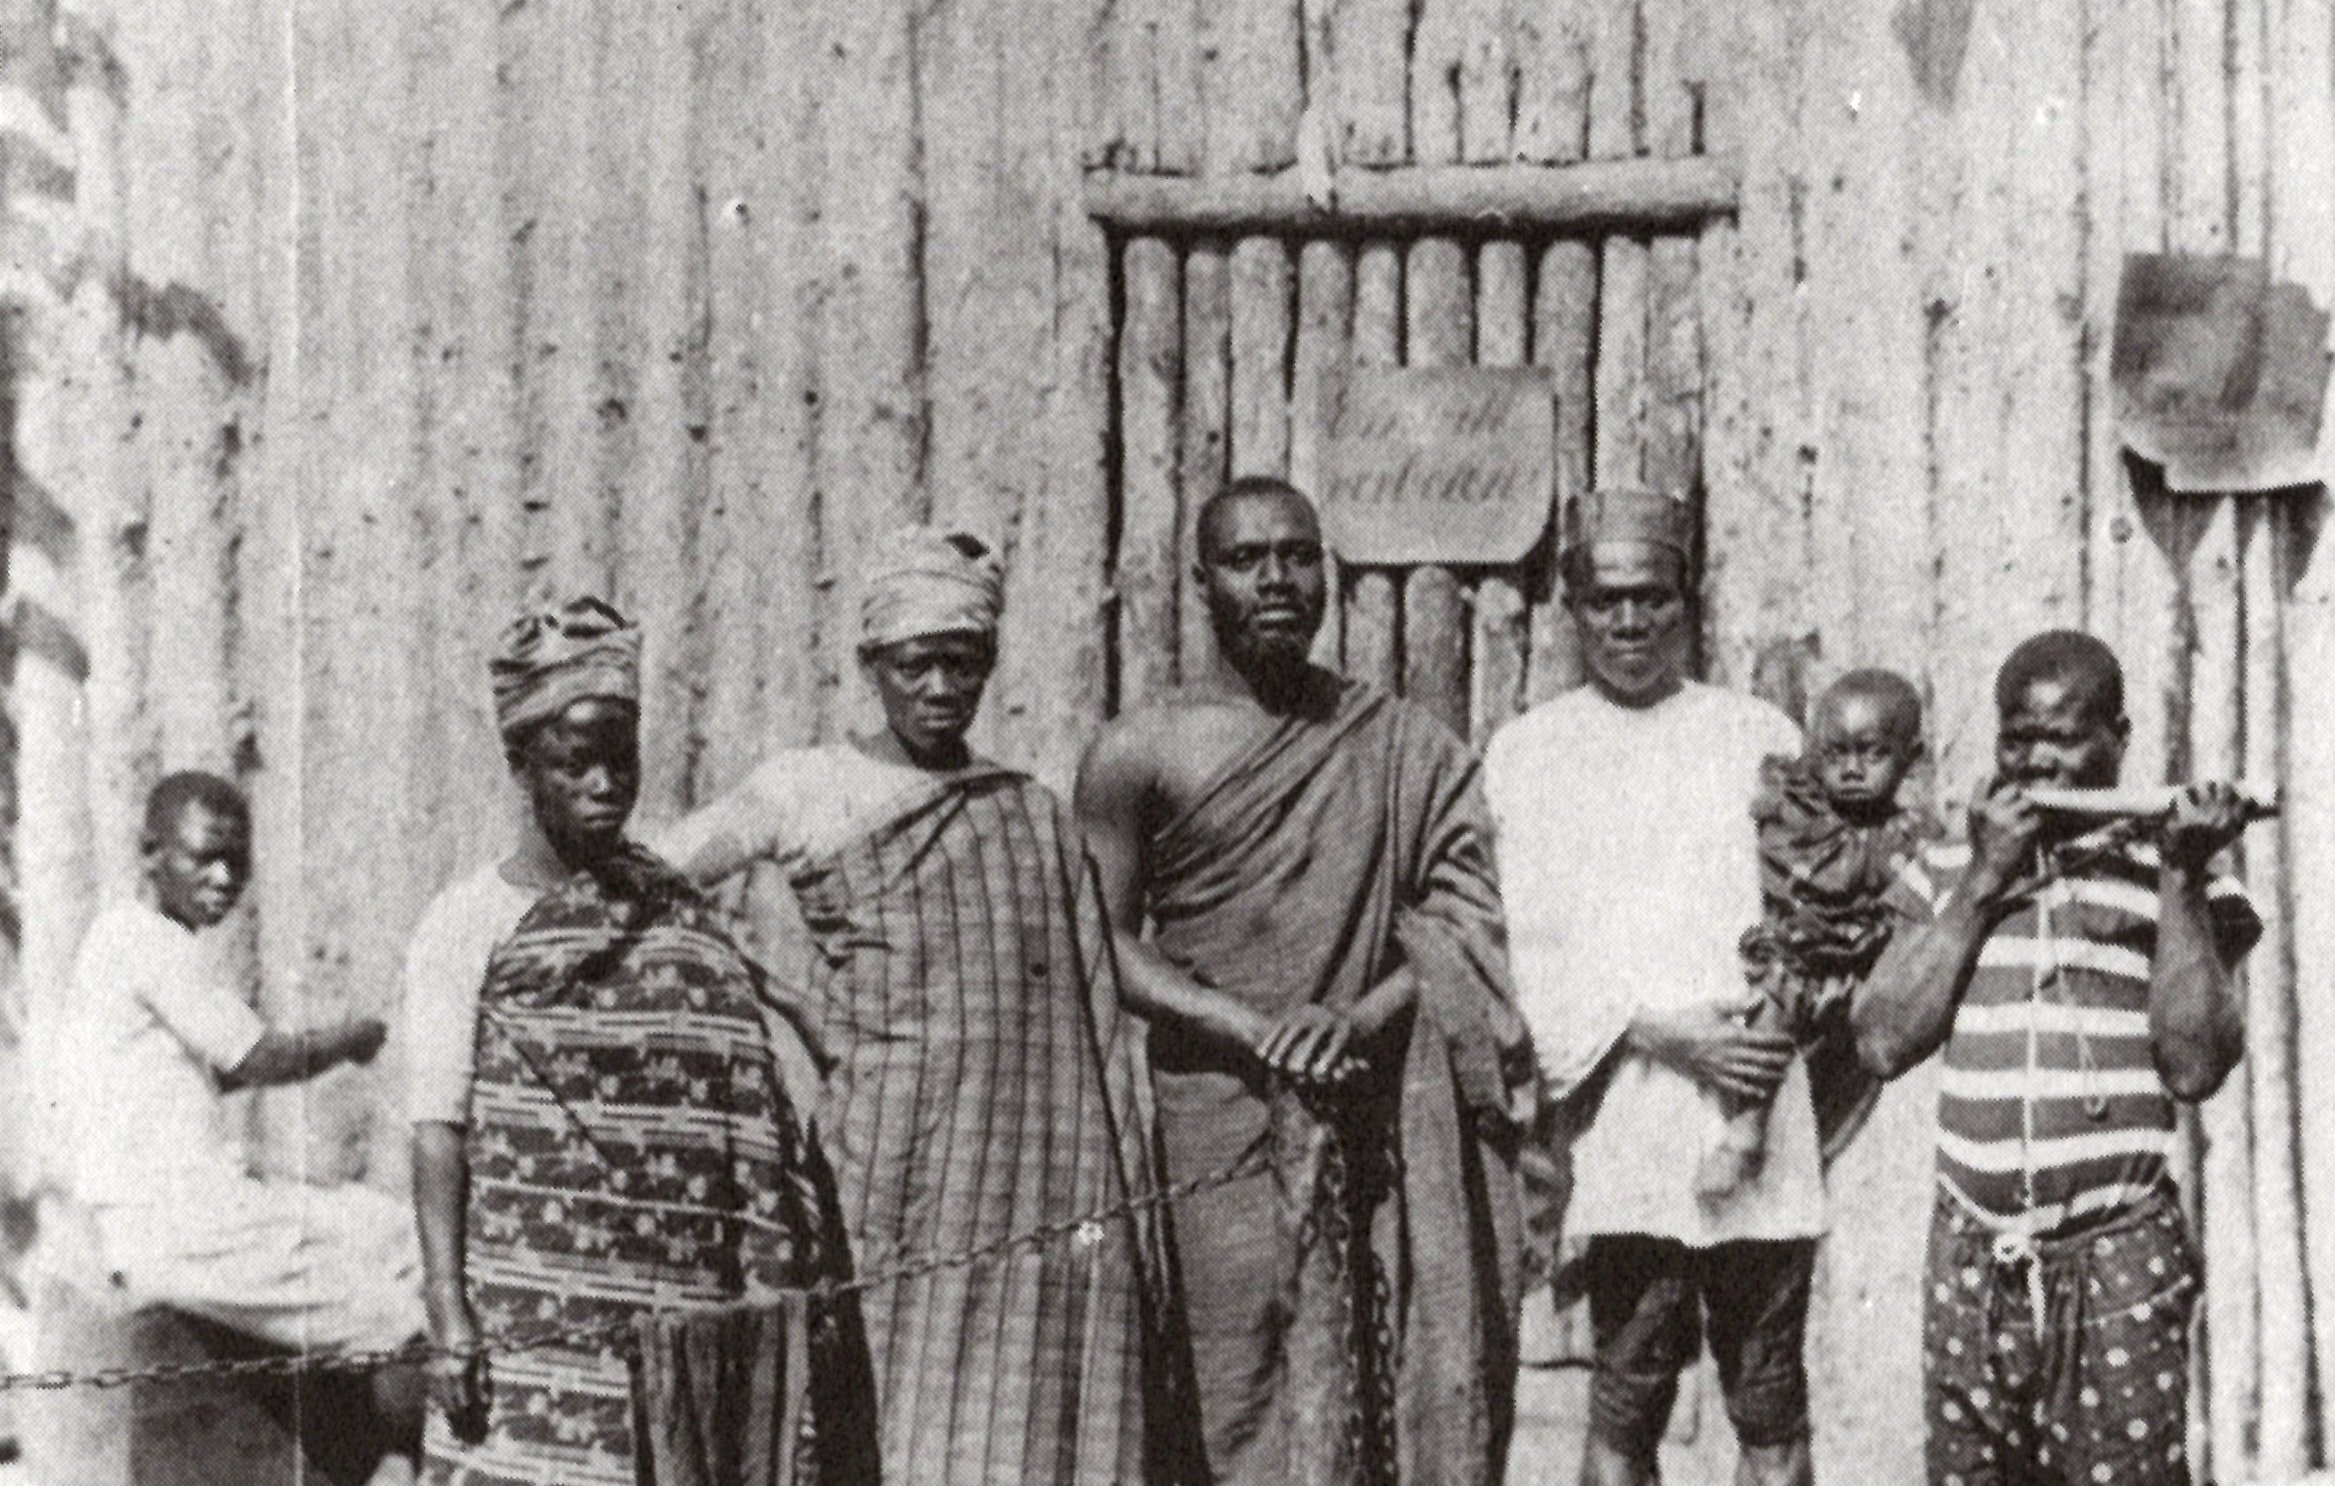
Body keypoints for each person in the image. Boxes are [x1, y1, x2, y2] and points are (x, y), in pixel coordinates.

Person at [652, 528, 1172, 1486]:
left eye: (963, 664)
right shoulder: (809, 787)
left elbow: (1088, 1007)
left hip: (1044, 1183)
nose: (940, 687)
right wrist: (767, 990)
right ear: (869, 665)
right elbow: (657, 877)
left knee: (1033, 1431)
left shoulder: (1028, 811)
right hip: (892, 1175)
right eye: (915, 664)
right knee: (893, 1421)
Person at [1075, 476, 1532, 1486]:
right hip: (1213, 1118)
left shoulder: (1402, 744)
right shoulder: (1136, 751)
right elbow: (1097, 939)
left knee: (1380, 1362)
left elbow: (1466, 924)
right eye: (1246, 559)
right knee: (1233, 1387)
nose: (1275, 579)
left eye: (1297, 555)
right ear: (1201, 583)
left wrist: (1355, 1018)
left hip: (1370, 1111)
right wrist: (1243, 1024)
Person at [411, 597, 841, 1486]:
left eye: (622, 758)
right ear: (520, 763)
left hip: (689, 1309)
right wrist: (449, 1312)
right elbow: (436, 1125)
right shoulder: (469, 923)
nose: (607, 783)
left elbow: (741, 1092)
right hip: (537, 1313)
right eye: (576, 763)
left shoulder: (671, 909)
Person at [1852, 631, 2257, 1486]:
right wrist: (1983, 883)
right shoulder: (1948, 867)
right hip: (1972, 1261)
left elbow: (2194, 1067)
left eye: (2062, 738)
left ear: (2119, 736)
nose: (2035, 762)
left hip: (2116, 1261)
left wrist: (2181, 879)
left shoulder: (2177, 874)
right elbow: (1880, 1039)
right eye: (2015, 738)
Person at [1482, 488, 1819, 1486]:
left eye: (1653, 598)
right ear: (1571, 608)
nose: (1630, 622)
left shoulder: (1758, 734)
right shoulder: (1527, 754)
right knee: (1626, 1394)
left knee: (1769, 1396)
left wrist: (1762, 1039)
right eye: (1606, 600)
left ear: (1688, 601)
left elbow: (1814, 915)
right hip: (1622, 1107)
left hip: (1752, 1110)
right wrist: (1652, 1029)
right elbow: (1517, 942)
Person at [61, 770, 424, 1484]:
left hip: (185, 1213)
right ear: (150, 853)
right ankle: (414, 1464)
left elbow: (210, 1071)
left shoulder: (121, 939)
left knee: (390, 1230)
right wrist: (353, 1039)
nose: (226, 877)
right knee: (394, 1319)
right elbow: (259, 1059)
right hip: (188, 1226)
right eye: (205, 857)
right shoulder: (149, 943)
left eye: (239, 860)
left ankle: (387, 1453)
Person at [1702, 668, 1937, 1196]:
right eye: (1836, 754)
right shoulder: (1800, 808)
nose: (1852, 770)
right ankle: (1746, 1131)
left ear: (1909, 756)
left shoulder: (1909, 833)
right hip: (1800, 955)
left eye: (1872, 754)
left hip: (1865, 969)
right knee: (1770, 1003)